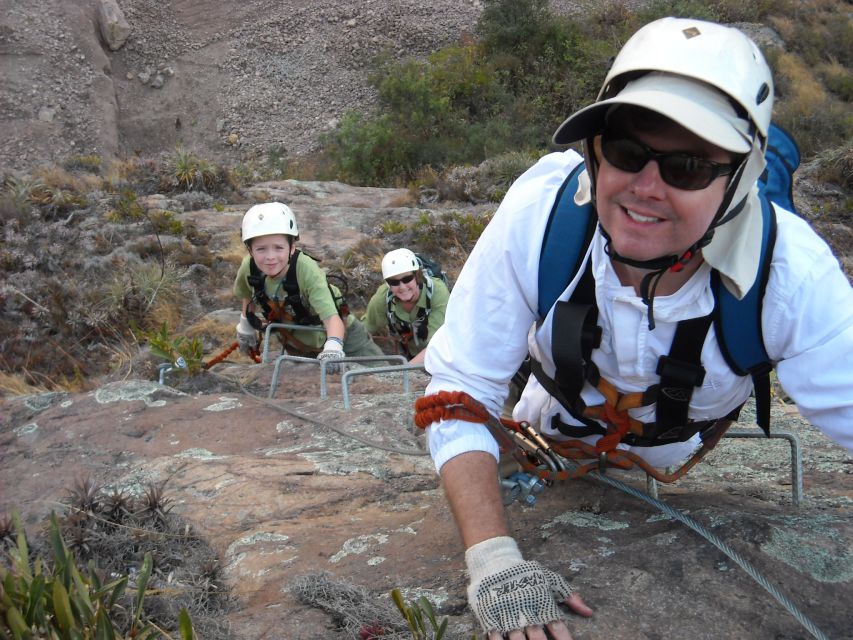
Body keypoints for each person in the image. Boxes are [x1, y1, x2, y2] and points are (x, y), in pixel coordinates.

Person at [420, 17, 853, 640]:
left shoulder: (789, 275)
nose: (645, 188)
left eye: (688, 167)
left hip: (670, 450)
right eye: (626, 152)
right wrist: (492, 560)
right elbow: (459, 388)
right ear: (596, 151)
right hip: (547, 426)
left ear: (742, 179)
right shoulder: (542, 216)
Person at [233, 202, 384, 371]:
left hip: (345, 336)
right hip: (299, 343)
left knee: (383, 372)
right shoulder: (250, 267)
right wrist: (245, 326)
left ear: (292, 248)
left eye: (278, 248)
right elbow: (247, 294)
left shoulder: (306, 270)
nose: (270, 257)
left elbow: (331, 318)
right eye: (261, 249)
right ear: (250, 250)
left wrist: (333, 347)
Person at [362, 248, 451, 365]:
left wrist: (405, 372)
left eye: (407, 279)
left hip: (441, 356)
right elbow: (365, 329)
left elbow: (437, 346)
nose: (402, 287)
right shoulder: (382, 298)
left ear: (417, 276)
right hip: (409, 354)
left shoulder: (437, 293)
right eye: (394, 282)